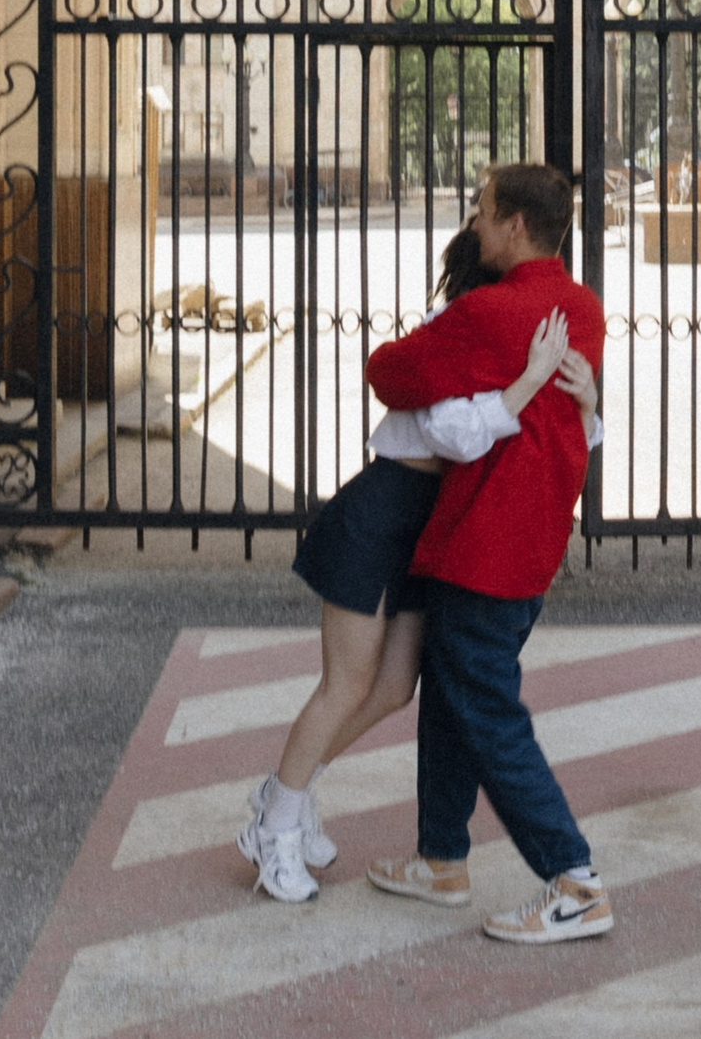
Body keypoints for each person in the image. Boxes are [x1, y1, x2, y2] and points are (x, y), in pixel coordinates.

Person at [238, 219, 598, 906]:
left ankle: (289, 789)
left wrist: (583, 398)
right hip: (381, 513)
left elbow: (546, 435)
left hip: (429, 527)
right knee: (345, 683)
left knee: (396, 686)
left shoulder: (515, 341)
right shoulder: (456, 333)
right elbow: (447, 433)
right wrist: (525, 382)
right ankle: (274, 825)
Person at [361, 162, 613, 948]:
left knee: (489, 712)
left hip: (483, 544)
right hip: (530, 541)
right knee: (454, 693)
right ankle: (441, 856)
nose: (472, 223)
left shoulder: (495, 314)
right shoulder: (582, 309)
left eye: (481, 211)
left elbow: (388, 374)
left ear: (515, 226)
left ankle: (573, 879)